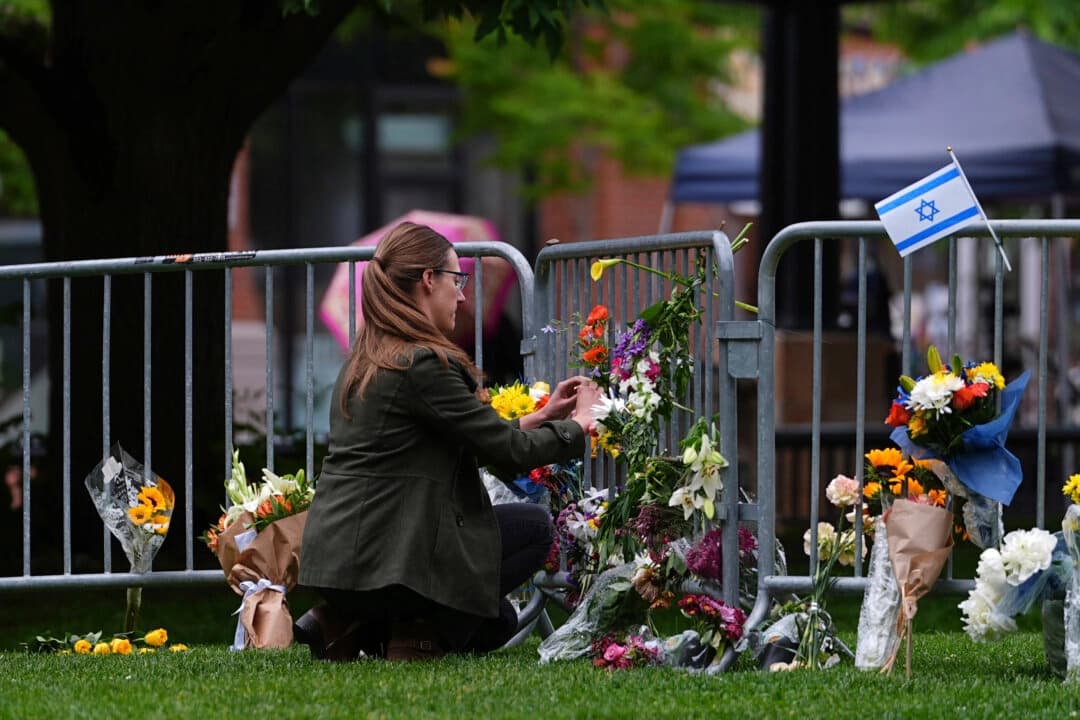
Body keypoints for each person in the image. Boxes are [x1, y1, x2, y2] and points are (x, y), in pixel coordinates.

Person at [295, 221, 599, 662]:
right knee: (532, 536)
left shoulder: (366, 357)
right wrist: (581, 424)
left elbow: (464, 438)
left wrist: (541, 417)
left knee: (496, 620)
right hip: (384, 565)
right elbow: (508, 455)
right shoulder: (421, 364)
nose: (462, 295)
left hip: (339, 562)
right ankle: (414, 634)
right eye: (457, 280)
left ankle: (346, 622)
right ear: (427, 280)